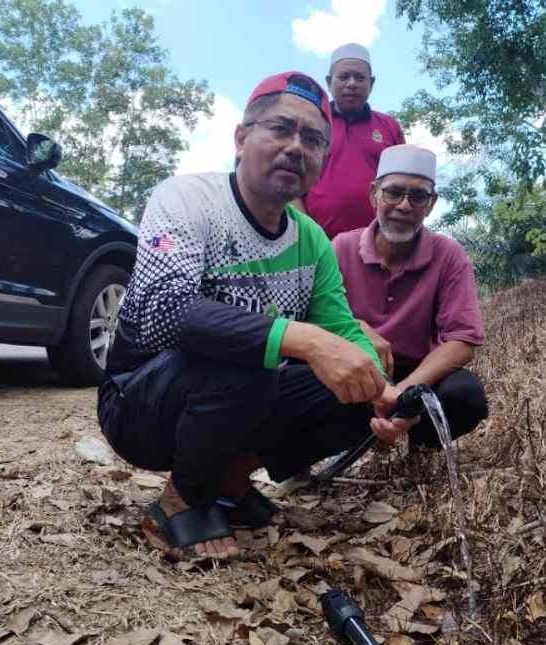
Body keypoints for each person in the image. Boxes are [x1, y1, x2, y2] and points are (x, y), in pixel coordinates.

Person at [96, 72, 418, 561]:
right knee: (253, 354)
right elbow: (163, 310)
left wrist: (381, 392)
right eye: (281, 129)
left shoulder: (310, 239)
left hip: (238, 394)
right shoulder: (187, 198)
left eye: (313, 140)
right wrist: (304, 340)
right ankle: (182, 499)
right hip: (139, 402)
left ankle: (229, 480)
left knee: (354, 381)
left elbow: (338, 328)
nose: (296, 147)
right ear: (241, 138)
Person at [332, 144, 488, 451]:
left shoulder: (449, 255)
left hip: (418, 372)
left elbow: (462, 341)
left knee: (466, 394)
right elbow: (315, 317)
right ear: (374, 194)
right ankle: (355, 441)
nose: (404, 206)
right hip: (358, 368)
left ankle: (420, 445)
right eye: (393, 192)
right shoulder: (341, 248)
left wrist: (401, 394)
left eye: (418, 196)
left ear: (431, 204)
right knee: (306, 382)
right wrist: (357, 328)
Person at [296, 43, 405, 239]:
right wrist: (306, 235)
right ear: (329, 81)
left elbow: (405, 184)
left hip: (379, 243)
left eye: (359, 77)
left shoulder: (389, 127)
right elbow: (293, 180)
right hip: (317, 242)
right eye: (344, 76)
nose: (352, 83)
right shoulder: (312, 122)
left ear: (371, 83)